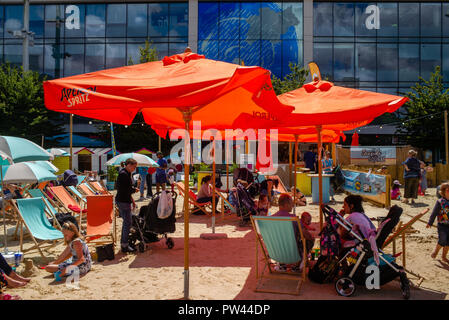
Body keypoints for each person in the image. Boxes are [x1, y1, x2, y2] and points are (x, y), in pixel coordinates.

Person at [115, 158, 138, 253]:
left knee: (126, 223)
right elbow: (124, 189)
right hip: (123, 201)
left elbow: (126, 189)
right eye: (134, 167)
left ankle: (124, 243)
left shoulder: (126, 173)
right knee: (127, 223)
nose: (134, 169)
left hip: (124, 200)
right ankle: (124, 245)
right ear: (128, 165)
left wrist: (132, 200)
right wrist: (134, 190)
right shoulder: (123, 174)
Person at [427, 182, 449, 263]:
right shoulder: (440, 202)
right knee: (442, 239)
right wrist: (430, 222)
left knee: (448, 242)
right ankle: (436, 251)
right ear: (443, 191)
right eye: (448, 190)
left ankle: (444, 257)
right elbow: (434, 213)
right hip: (442, 225)